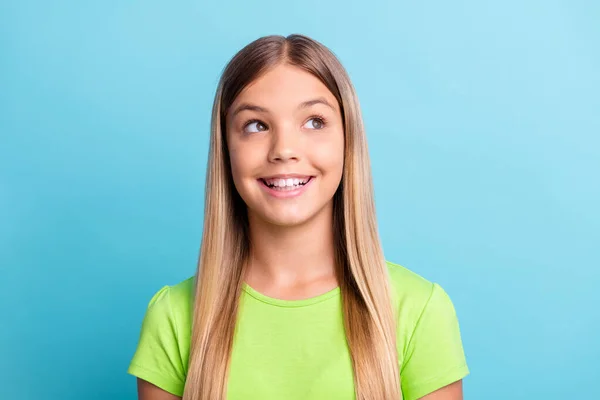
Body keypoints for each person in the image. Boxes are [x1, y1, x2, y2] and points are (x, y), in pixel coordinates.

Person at [127, 34, 469, 400]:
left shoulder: (418, 311)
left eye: (314, 121)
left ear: (347, 140)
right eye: (256, 125)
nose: (284, 150)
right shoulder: (175, 317)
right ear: (227, 150)